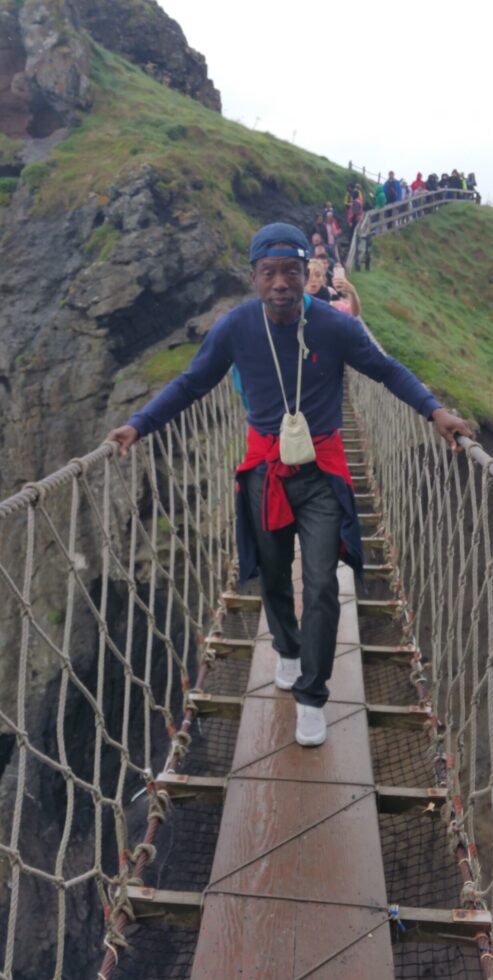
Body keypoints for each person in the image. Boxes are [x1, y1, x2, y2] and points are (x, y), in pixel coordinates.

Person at [107, 223, 472, 748]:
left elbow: (387, 370)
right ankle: (286, 645)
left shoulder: (333, 327)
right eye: (269, 273)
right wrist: (139, 425)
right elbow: (191, 383)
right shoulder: (235, 329)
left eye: (292, 272)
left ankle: (312, 696)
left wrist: (435, 411)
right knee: (273, 577)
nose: (281, 283)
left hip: (322, 472)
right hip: (264, 473)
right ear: (253, 277)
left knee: (323, 584)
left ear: (306, 276)